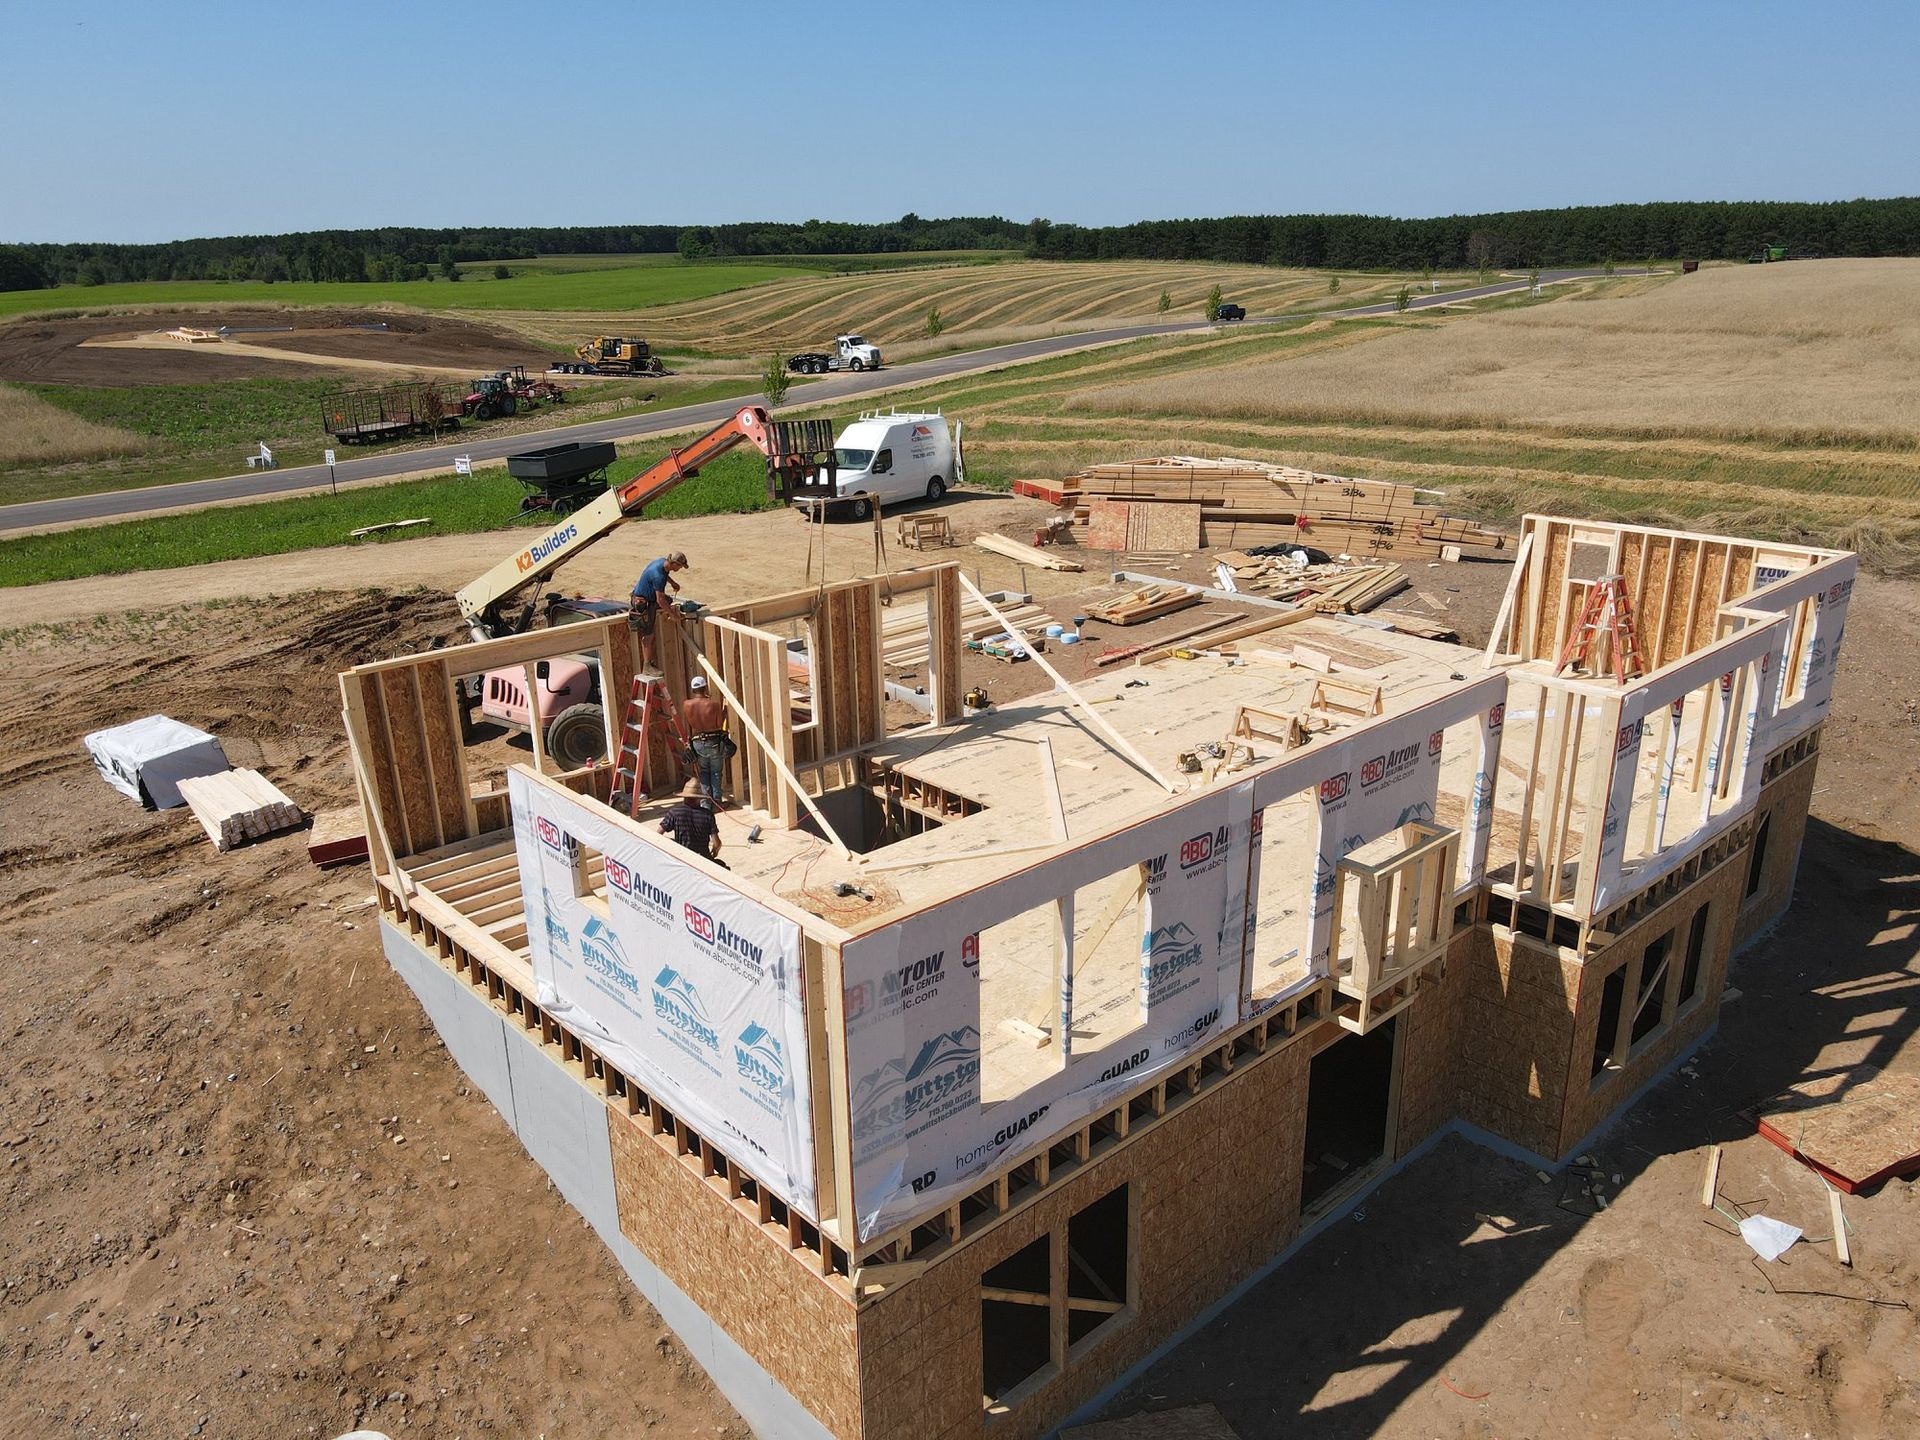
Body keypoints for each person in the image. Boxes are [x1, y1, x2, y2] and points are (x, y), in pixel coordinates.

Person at [629, 552, 689, 671]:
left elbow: (664, 575)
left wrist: (672, 583)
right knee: (648, 635)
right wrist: (673, 615)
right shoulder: (658, 576)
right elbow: (660, 600)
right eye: (680, 566)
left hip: (643, 596)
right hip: (642, 604)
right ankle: (647, 665)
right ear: (675, 563)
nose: (680, 569)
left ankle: (648, 663)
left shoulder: (662, 562)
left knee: (669, 600)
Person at [681, 675, 732, 805]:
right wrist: (724, 712)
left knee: (704, 772)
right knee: (715, 772)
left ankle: (705, 804)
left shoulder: (686, 704)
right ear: (705, 688)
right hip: (713, 742)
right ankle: (717, 803)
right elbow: (719, 724)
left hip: (697, 742)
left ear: (693, 690)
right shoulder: (713, 704)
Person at [658, 778, 722, 864]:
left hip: (683, 859)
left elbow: (658, 834)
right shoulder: (708, 815)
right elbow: (716, 843)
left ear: (684, 796)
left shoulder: (674, 813)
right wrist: (714, 852)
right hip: (703, 859)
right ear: (699, 798)